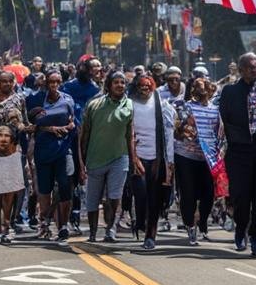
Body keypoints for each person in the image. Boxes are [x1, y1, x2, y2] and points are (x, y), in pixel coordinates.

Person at [217, 52, 256, 257]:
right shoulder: (229, 92)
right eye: (250, 67)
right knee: (241, 196)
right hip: (240, 151)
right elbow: (222, 120)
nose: (255, 70)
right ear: (241, 69)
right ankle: (240, 228)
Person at [77, 71, 134, 244]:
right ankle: (93, 232)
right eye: (116, 82)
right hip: (95, 158)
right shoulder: (94, 105)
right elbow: (84, 134)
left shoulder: (129, 105)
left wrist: (134, 159)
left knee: (114, 197)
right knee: (93, 199)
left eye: (122, 83)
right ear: (108, 85)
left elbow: (130, 135)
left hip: (119, 158)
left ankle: (110, 229)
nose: (120, 85)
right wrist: (81, 162)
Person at [26, 69, 77, 241]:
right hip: (43, 150)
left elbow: (72, 122)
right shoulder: (36, 99)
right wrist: (49, 129)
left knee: (65, 186)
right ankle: (44, 224)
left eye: (57, 81)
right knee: (45, 189)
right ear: (45, 83)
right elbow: (30, 125)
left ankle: (63, 224)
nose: (54, 85)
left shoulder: (68, 99)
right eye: (51, 82)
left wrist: (69, 127)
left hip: (63, 149)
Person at [129, 74, 174, 249]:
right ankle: (139, 222)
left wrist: (169, 162)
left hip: (157, 158)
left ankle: (150, 236)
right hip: (137, 157)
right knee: (140, 195)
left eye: (148, 85)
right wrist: (133, 156)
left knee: (154, 198)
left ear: (153, 86)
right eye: (141, 85)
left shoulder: (162, 104)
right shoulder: (129, 103)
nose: (145, 88)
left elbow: (169, 133)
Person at [175, 76, 219, 245]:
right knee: (189, 194)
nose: (201, 89)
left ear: (210, 89)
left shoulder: (216, 110)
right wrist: (183, 128)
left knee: (209, 194)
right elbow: (179, 131)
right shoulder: (186, 107)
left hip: (208, 158)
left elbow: (219, 133)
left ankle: (203, 224)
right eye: (196, 87)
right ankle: (190, 225)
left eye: (204, 86)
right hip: (186, 156)